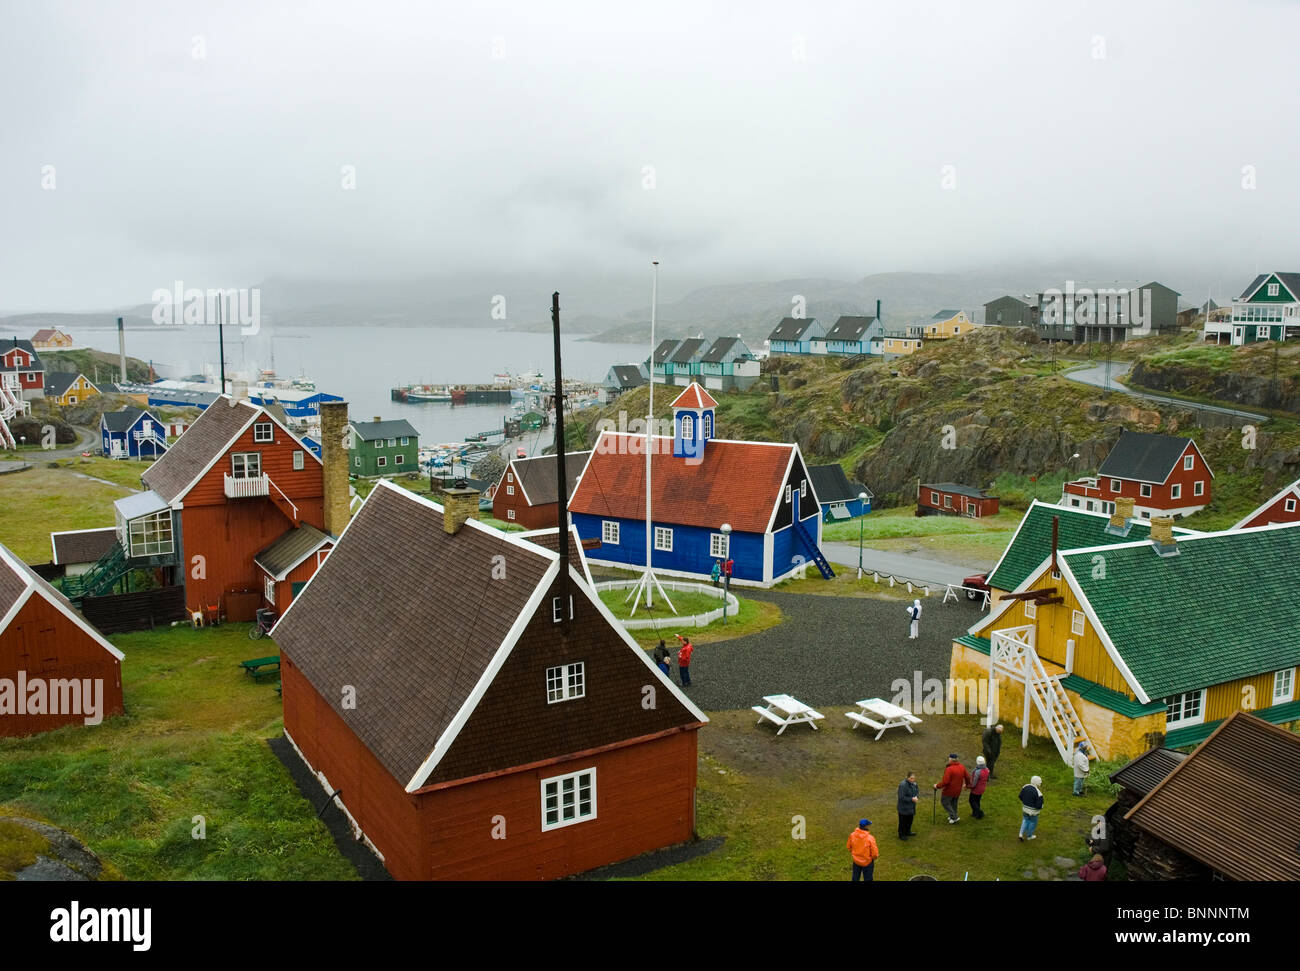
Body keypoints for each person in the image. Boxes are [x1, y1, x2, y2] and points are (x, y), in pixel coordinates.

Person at [934, 753, 966, 824]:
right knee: (954, 803)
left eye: (949, 758)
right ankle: (953, 816)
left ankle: (954, 817)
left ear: (951, 759)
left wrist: (937, 786)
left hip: (949, 791)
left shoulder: (949, 769)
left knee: (945, 802)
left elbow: (945, 782)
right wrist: (968, 785)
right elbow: (967, 777)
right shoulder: (961, 767)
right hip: (958, 790)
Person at [1018, 775, 1044, 841]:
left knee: (1025, 820)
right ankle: (1029, 836)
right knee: (1033, 822)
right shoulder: (1039, 793)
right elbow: (1039, 806)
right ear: (1037, 783)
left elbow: (1020, 796)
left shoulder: (1025, 786)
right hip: (1033, 812)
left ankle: (1020, 834)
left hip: (1025, 809)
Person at [897, 772, 920, 839]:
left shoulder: (914, 784)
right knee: (903, 822)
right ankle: (901, 835)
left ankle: (907, 831)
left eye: (913, 778)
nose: (912, 780)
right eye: (911, 778)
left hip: (911, 807)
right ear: (907, 777)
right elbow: (901, 797)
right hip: (903, 808)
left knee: (910, 820)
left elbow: (917, 791)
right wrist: (911, 799)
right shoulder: (903, 785)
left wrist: (916, 797)